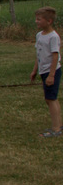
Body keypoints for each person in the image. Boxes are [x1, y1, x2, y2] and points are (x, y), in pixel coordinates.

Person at [31, 7, 61, 138]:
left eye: (39, 19)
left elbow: (55, 56)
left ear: (49, 21)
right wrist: (34, 70)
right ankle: (58, 125)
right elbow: (39, 54)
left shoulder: (53, 37)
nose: (36, 21)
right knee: (49, 99)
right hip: (43, 71)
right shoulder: (39, 35)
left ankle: (56, 129)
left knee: (51, 98)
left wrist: (51, 75)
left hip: (51, 71)